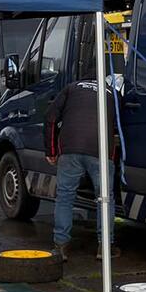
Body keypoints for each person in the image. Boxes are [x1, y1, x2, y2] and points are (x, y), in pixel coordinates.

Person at [44, 78, 119, 260]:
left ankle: (61, 246)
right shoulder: (113, 93)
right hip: (100, 150)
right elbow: (119, 126)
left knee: (65, 196)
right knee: (105, 199)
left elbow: (51, 118)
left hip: (70, 149)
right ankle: (105, 248)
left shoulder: (71, 88)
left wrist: (51, 151)